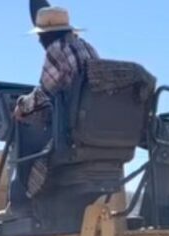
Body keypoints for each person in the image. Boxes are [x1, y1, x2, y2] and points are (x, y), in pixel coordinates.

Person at [10, 7, 98, 207]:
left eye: (41, 36)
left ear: (48, 35)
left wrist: (21, 107)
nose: (40, 41)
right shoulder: (88, 48)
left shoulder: (57, 49)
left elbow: (43, 93)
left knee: (26, 138)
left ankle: (22, 203)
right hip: (94, 131)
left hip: (74, 135)